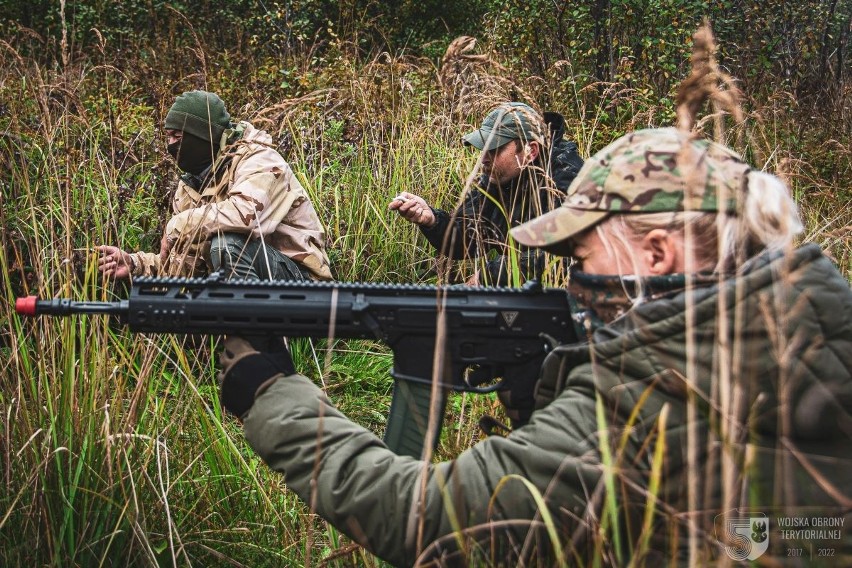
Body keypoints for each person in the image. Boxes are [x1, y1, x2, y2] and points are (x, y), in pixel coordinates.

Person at [217, 127, 851, 566]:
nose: (572, 279)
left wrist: (270, 393)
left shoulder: (644, 399)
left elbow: (430, 522)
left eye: (580, 254)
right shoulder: (817, 333)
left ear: (655, 253)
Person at [98, 90, 332, 282]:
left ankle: (252, 340)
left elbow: (245, 216)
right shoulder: (191, 186)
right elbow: (184, 265)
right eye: (167, 136)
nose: (170, 146)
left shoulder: (261, 161)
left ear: (203, 135)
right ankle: (232, 335)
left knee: (227, 245)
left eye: (177, 137)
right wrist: (135, 264)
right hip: (252, 286)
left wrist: (177, 224)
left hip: (304, 286)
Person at [389, 102, 583, 286]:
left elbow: (567, 256)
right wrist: (432, 220)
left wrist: (489, 276)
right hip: (520, 291)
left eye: (494, 149)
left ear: (530, 151)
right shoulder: (497, 178)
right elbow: (468, 239)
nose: (483, 158)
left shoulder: (567, 179)